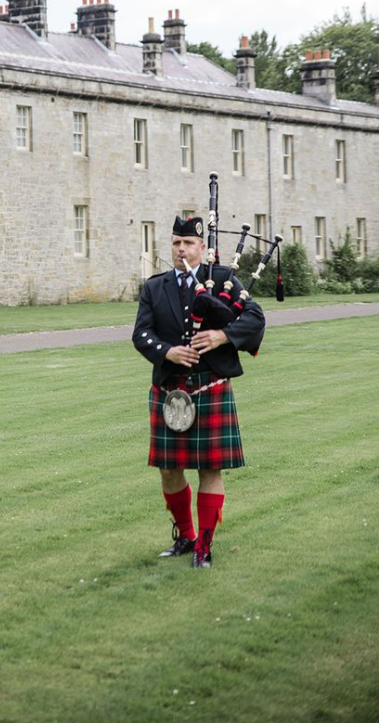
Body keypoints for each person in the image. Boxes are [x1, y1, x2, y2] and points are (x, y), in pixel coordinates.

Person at [132, 215, 266, 568]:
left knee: (210, 468)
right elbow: (140, 334)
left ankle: (204, 547)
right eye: (176, 242)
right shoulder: (154, 287)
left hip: (210, 386)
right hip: (170, 389)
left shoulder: (221, 279)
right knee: (168, 470)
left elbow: (254, 317)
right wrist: (166, 351)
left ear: (201, 247)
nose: (181, 249)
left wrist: (223, 335)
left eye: (188, 243)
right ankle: (186, 537)